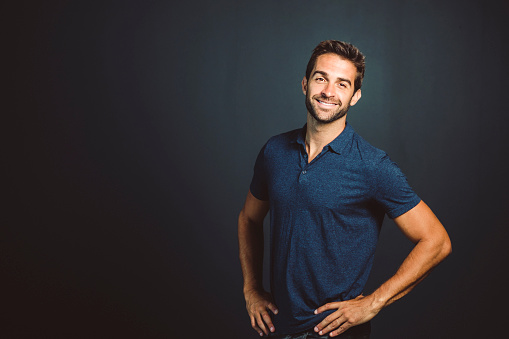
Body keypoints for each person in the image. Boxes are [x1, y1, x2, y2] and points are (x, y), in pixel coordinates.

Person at [238, 40, 451, 338]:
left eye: (342, 84)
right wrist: (252, 288)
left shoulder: (373, 166)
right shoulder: (274, 151)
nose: (328, 91)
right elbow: (249, 219)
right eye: (321, 78)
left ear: (355, 96)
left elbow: (437, 241)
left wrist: (373, 303)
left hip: (336, 332)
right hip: (278, 328)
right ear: (305, 83)